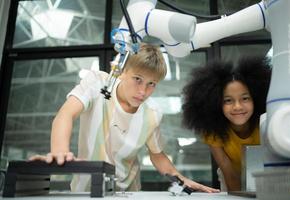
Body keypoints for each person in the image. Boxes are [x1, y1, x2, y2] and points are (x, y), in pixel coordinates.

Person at [30, 43, 219, 193]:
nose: (143, 91)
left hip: (128, 193)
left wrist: (180, 178)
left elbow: (157, 154)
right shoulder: (97, 82)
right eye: (138, 79)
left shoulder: (152, 113)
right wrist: (60, 151)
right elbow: (65, 115)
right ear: (121, 71)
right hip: (84, 191)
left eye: (151, 84)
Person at [181, 56, 271, 191]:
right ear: (216, 103)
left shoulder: (267, 123)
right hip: (230, 176)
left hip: (267, 174)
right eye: (228, 100)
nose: (237, 107)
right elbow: (228, 170)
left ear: (257, 99)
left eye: (245, 98)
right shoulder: (213, 131)